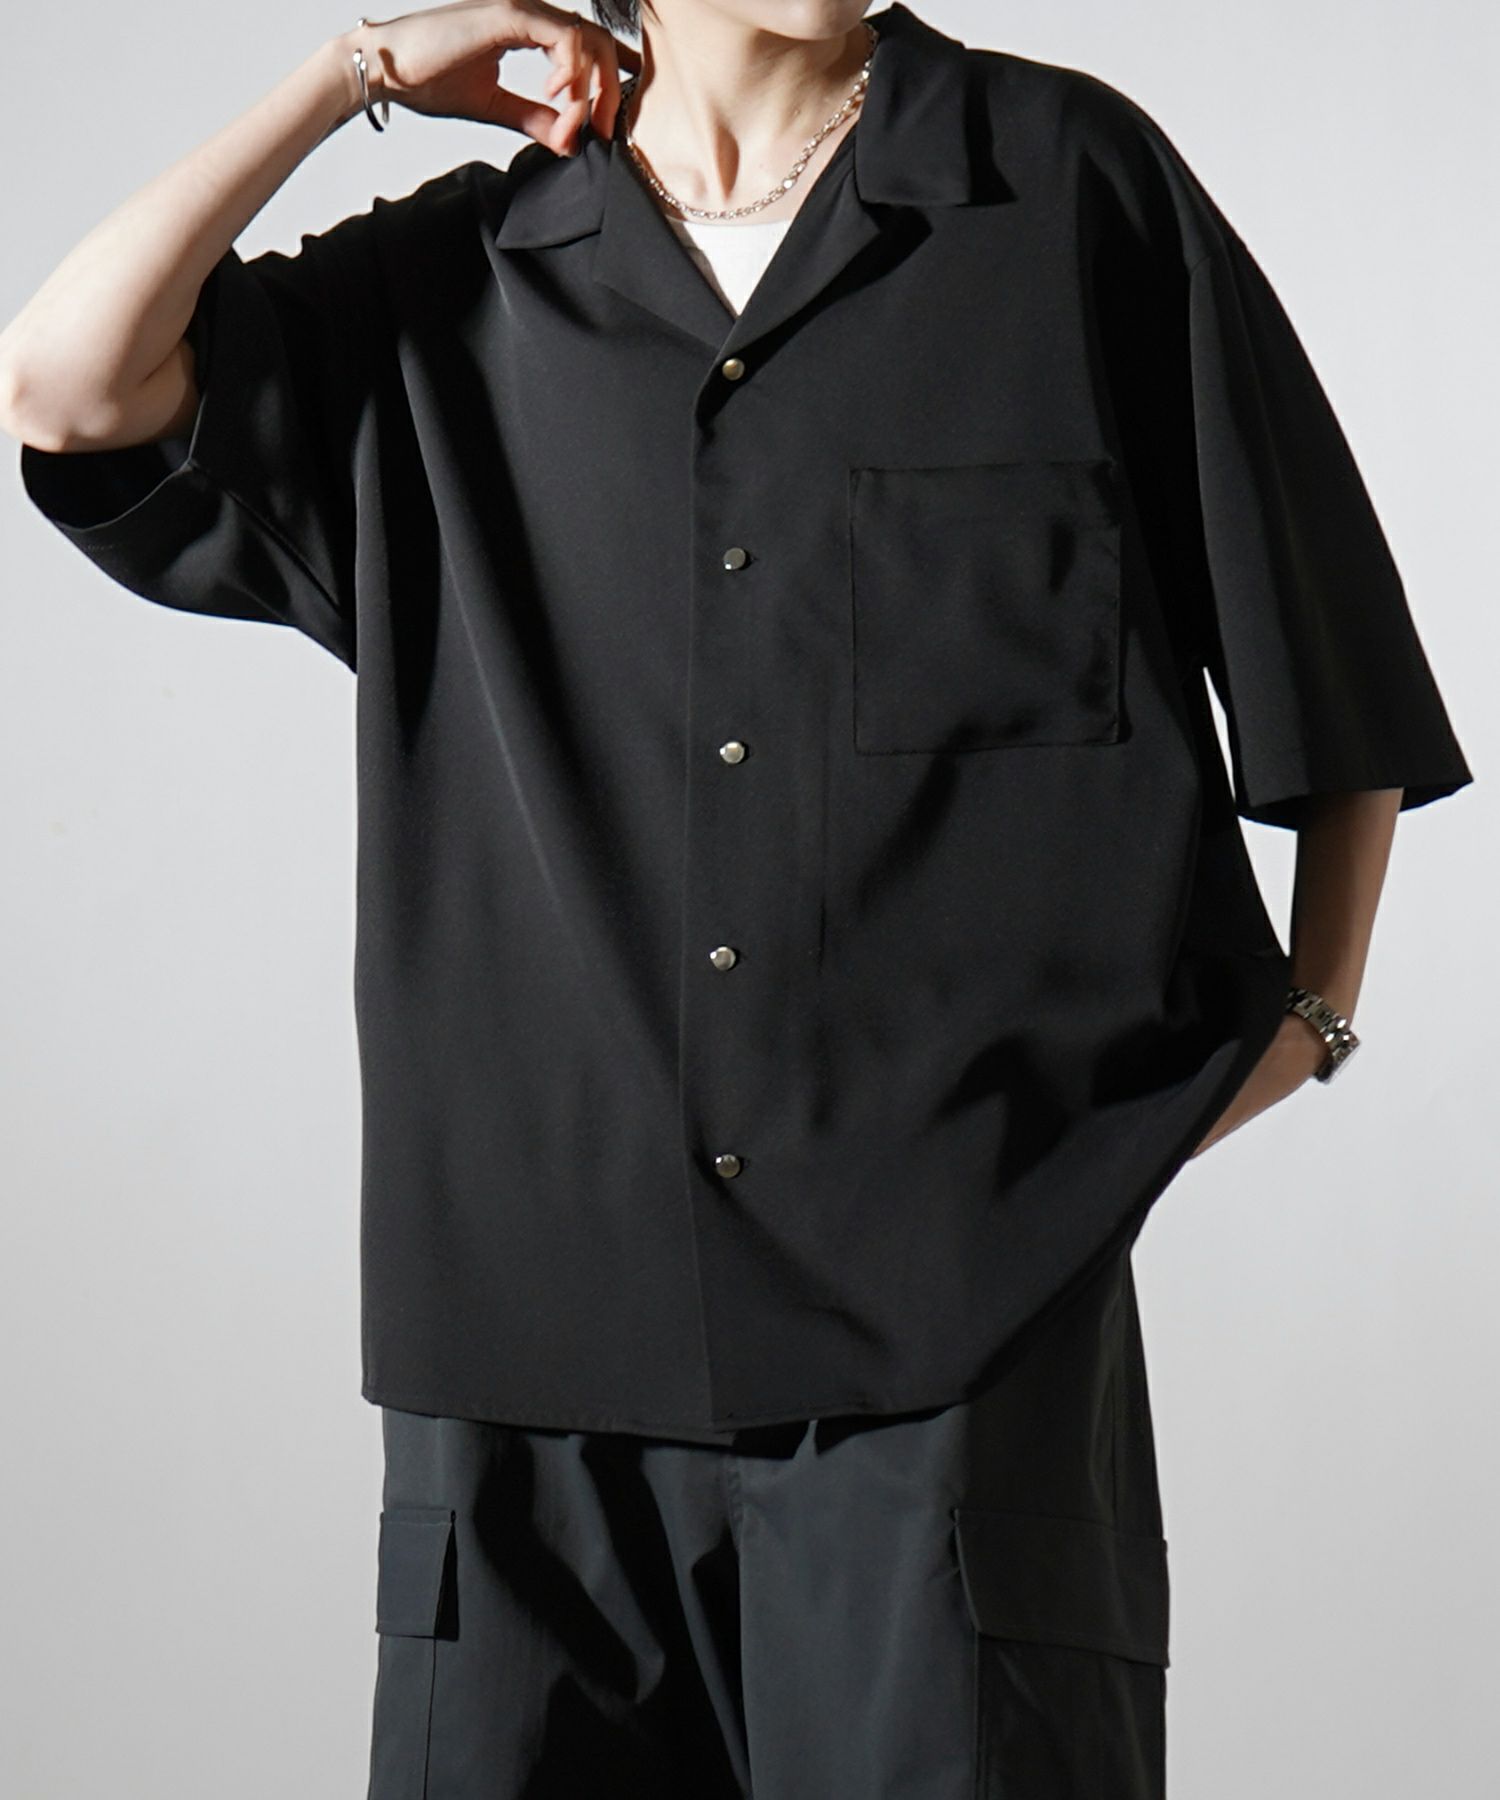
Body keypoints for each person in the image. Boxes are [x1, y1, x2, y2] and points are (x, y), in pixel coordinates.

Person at [1, 2, 1473, 1794]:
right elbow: (64, 388)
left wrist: (1316, 1013)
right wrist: (351, 78)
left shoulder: (1064, 187)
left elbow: (1322, 636)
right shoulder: (460, 278)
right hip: (526, 1374)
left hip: (958, 1367)